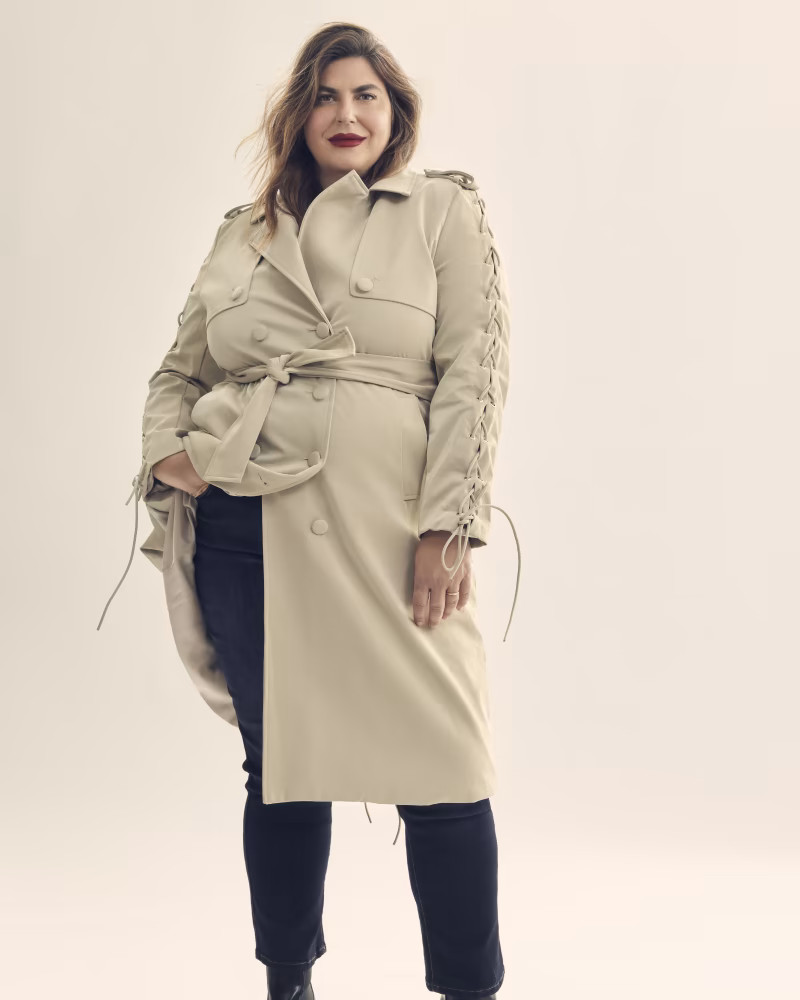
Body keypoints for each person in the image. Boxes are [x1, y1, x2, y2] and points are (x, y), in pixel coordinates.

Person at [97, 20, 519, 1000]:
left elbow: (476, 369)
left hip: (391, 528)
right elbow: (179, 370)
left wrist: (447, 525)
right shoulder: (241, 233)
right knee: (281, 763)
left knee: (445, 761)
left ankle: (469, 986)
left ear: (395, 112)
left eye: (366, 94)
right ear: (299, 115)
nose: (346, 113)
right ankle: (287, 981)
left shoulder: (441, 211)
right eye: (326, 95)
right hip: (250, 530)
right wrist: (172, 454)